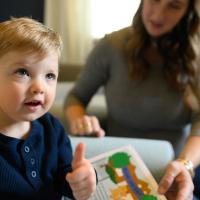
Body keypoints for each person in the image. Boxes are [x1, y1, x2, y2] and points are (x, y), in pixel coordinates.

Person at [64, 0, 200, 199]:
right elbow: (76, 97)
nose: (158, 15)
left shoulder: (196, 55)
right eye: (154, 0)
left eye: (174, 6)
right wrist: (79, 119)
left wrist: (185, 165)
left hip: (174, 174)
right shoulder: (111, 46)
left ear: (188, 11)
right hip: (115, 171)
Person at [0, 17, 97, 200]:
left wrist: (82, 179)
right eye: (23, 72)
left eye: (50, 76)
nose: (40, 87)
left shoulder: (52, 127)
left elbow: (65, 175)